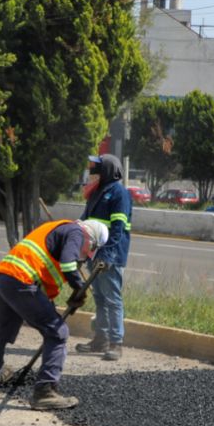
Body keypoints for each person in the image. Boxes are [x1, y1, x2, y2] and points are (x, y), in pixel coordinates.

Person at [0, 219, 108, 410]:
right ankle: (45, 392)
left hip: (3, 279)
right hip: (21, 281)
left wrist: (72, 298)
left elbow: (42, 290)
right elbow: (68, 264)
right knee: (58, 333)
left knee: (4, 331)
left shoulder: (58, 231)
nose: (87, 255)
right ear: (91, 238)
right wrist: (79, 287)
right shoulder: (77, 232)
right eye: (91, 248)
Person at [76, 154, 132, 361]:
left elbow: (118, 229)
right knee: (99, 298)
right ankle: (101, 340)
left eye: (97, 168)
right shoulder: (96, 192)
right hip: (93, 254)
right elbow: (85, 222)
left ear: (109, 170)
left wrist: (107, 255)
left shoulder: (119, 193)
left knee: (112, 299)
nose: (92, 172)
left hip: (110, 257)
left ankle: (116, 343)